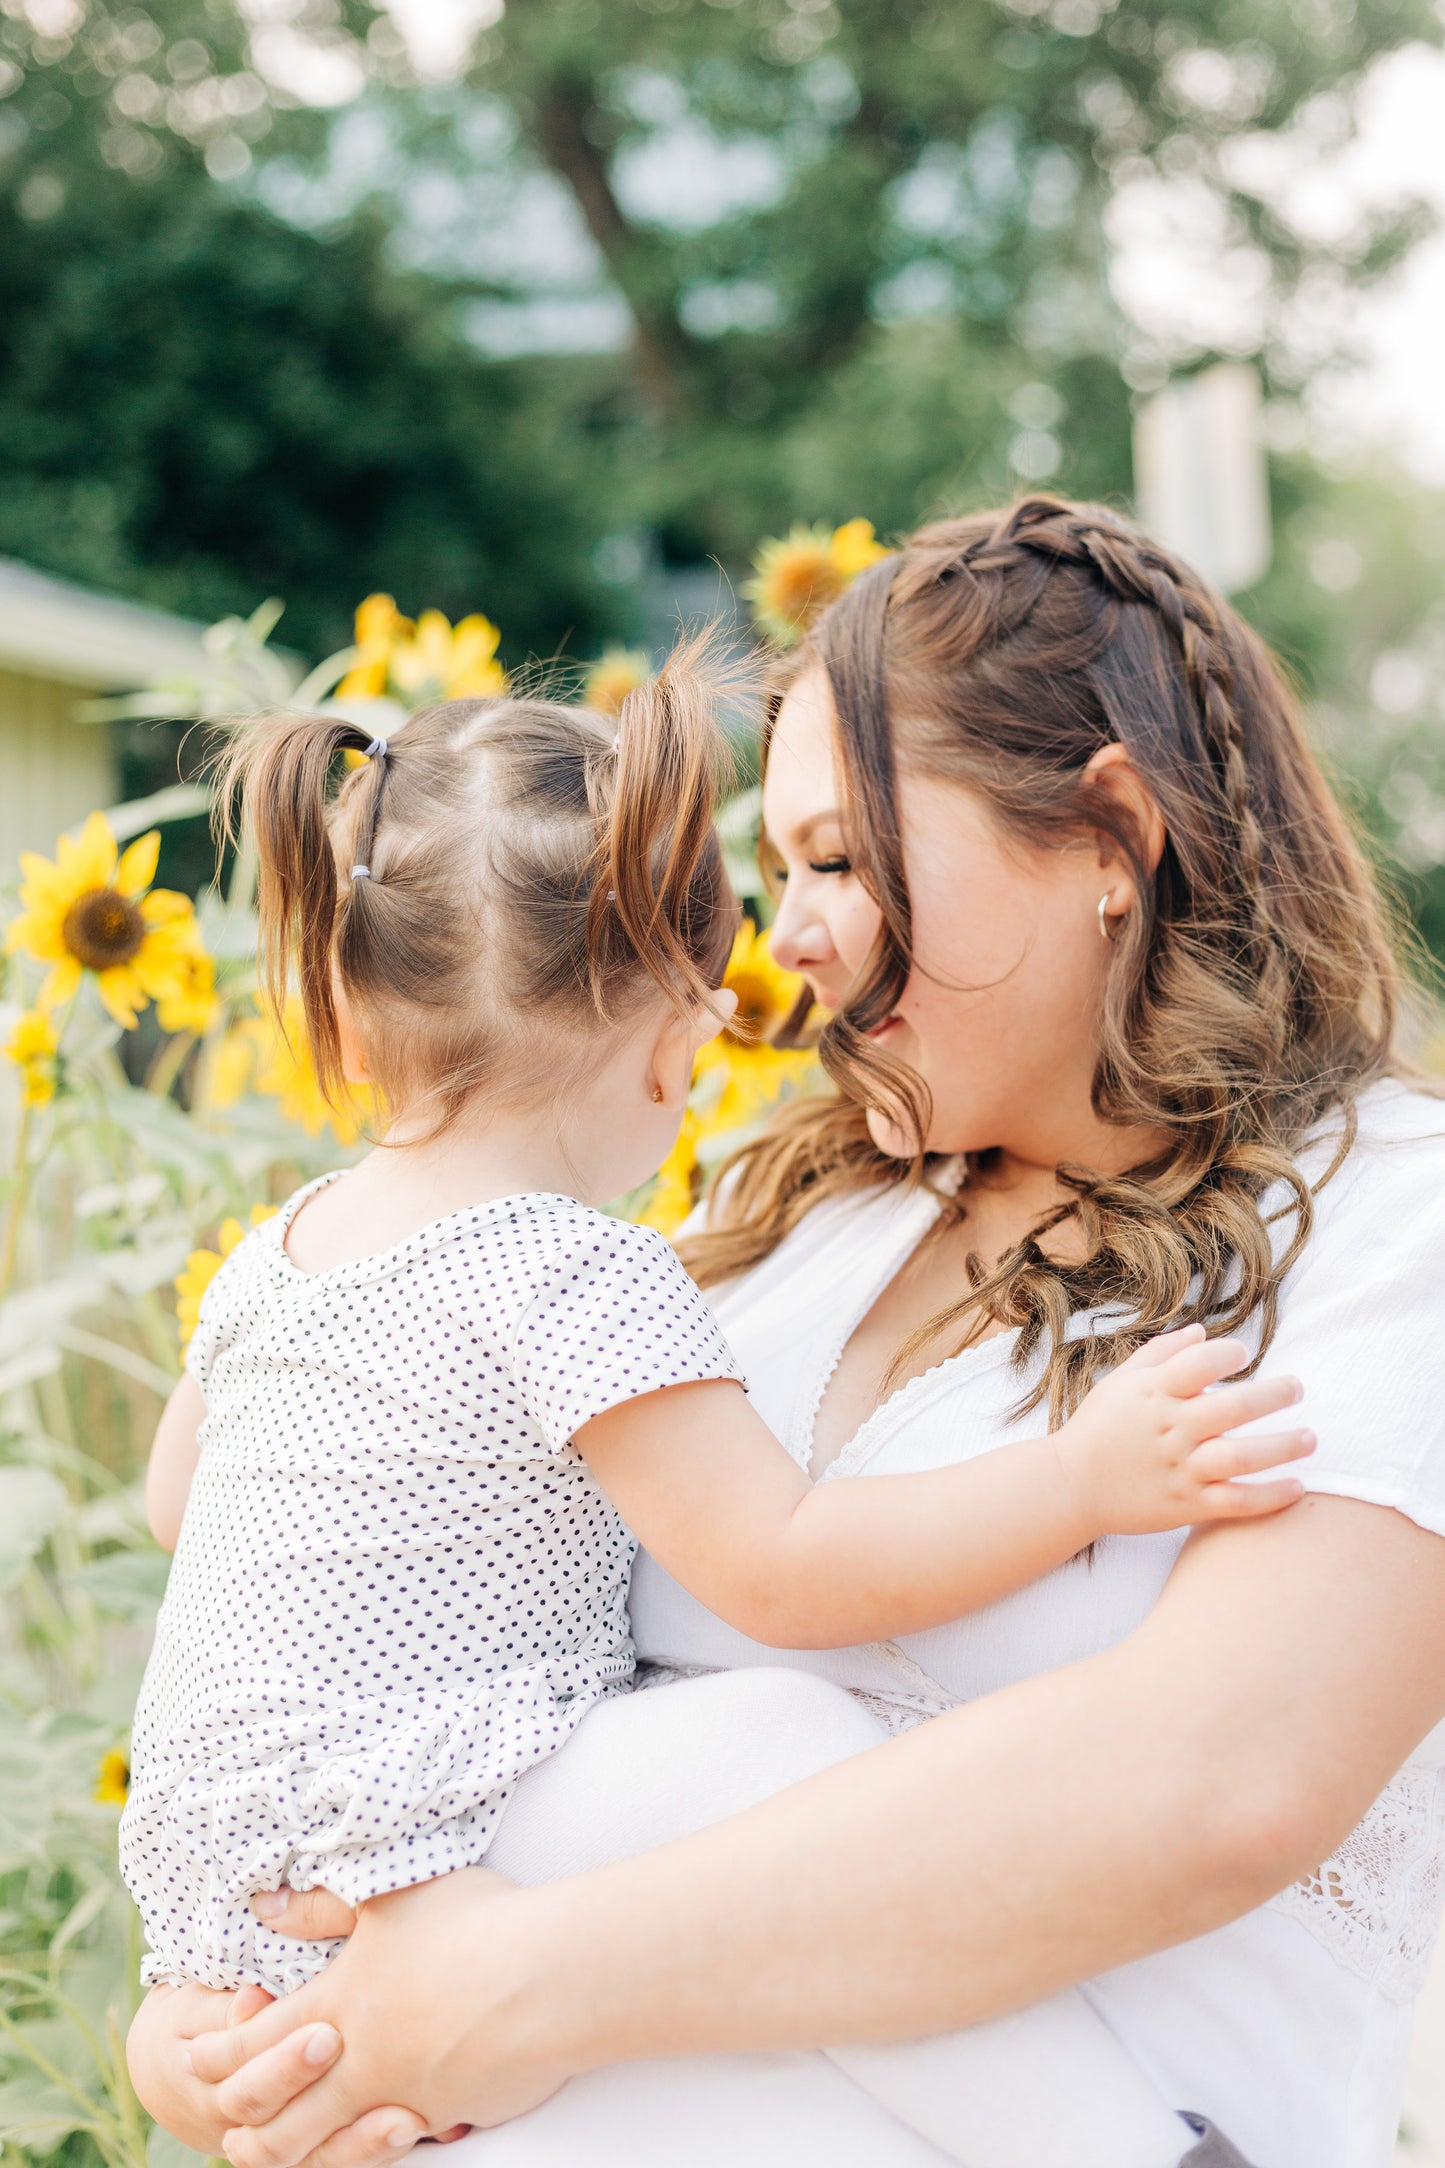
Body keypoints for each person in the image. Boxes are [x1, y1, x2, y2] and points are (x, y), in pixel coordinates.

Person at [128, 497, 1445, 2168]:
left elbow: (1215, 1782)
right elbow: (333, 1590)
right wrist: (232, 2017)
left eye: (837, 860)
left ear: (1107, 839)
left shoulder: (1397, 1215)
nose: (784, 940)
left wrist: (508, 1986)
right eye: (776, 875)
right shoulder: (778, 1217)